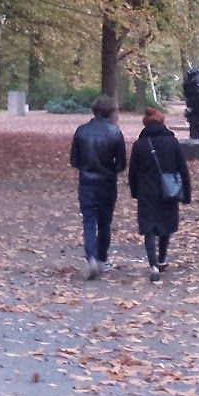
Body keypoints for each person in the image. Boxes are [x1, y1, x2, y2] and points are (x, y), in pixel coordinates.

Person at [128, 106, 192, 282]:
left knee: (149, 228)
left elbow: (132, 172)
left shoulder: (139, 145)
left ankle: (153, 265)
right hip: (168, 191)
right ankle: (162, 259)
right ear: (162, 122)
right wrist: (186, 194)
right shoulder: (172, 143)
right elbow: (183, 169)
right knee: (165, 226)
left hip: (146, 191)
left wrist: (135, 192)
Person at [70, 94, 126, 280]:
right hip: (107, 183)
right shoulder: (115, 133)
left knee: (89, 221)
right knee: (105, 222)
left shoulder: (81, 131)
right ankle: (102, 258)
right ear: (110, 112)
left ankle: (91, 257)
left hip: (87, 183)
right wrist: (110, 169)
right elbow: (121, 164)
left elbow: (74, 160)